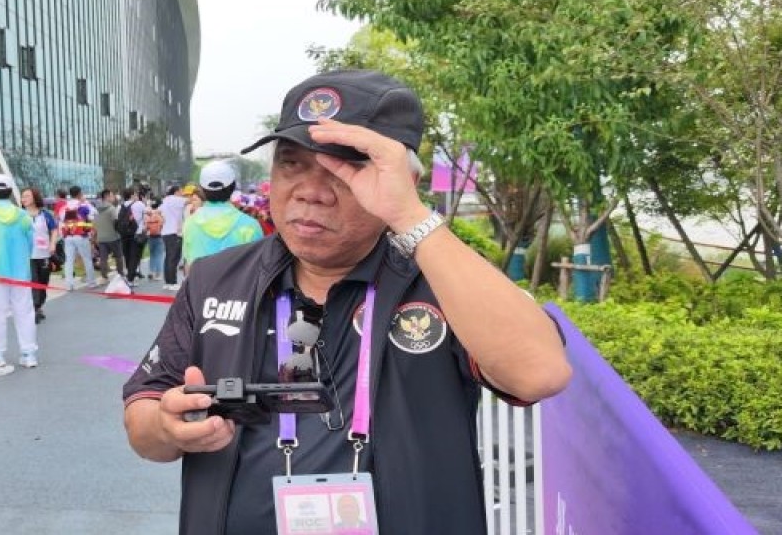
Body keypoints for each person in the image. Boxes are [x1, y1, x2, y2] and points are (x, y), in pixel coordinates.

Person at [121, 69, 571, 535]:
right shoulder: (216, 279)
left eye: (346, 169)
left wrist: (411, 217)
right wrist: (168, 427)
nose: (311, 191)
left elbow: (540, 374)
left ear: (401, 180)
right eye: (292, 163)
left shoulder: (443, 281)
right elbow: (144, 419)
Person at [0, 174, 39, 368]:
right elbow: (30, 244)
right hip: (20, 273)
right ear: (11, 192)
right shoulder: (24, 217)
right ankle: (29, 354)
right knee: (25, 313)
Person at [181, 161, 263, 276]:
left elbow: (189, 267)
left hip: (200, 291)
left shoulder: (190, 224)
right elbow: (257, 270)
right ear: (233, 186)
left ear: (202, 189)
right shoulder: (250, 225)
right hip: (238, 292)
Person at [22, 186, 59, 323]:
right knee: (33, 282)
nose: (23, 199)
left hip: (44, 254)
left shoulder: (45, 214)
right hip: (28, 256)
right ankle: (34, 308)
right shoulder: (20, 215)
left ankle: (39, 305)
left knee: (43, 283)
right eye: (23, 196)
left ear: (35, 198)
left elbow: (54, 229)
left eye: (27, 196)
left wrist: (53, 243)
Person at [59, 185, 97, 290]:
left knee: (69, 260)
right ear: (80, 194)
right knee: (87, 259)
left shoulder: (64, 208)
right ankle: (91, 282)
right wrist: (87, 202)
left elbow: (61, 221)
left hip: (68, 236)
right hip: (81, 236)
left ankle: (69, 285)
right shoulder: (84, 206)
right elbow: (94, 213)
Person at [158, 185, 188, 291]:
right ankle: (173, 282)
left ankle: (167, 282)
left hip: (165, 232)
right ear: (176, 192)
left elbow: (158, 212)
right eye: (181, 191)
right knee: (174, 258)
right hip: (174, 232)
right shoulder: (176, 199)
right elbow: (190, 201)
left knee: (168, 258)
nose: (182, 193)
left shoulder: (165, 201)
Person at [93, 189, 126, 282]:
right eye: (112, 196)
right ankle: (120, 273)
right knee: (118, 256)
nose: (113, 198)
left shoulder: (97, 210)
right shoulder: (112, 209)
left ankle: (104, 276)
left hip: (101, 237)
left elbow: (95, 223)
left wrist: (95, 236)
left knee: (103, 258)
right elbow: (116, 222)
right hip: (113, 236)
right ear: (107, 197)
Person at [119, 187, 147, 282]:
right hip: (136, 233)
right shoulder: (139, 204)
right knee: (134, 257)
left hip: (124, 234)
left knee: (127, 255)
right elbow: (148, 213)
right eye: (135, 194)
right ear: (132, 195)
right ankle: (131, 278)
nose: (137, 196)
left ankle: (129, 274)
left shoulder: (121, 206)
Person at [144, 198, 165, 280]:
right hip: (159, 237)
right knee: (159, 255)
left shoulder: (148, 215)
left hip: (150, 237)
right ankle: (158, 274)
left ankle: (151, 272)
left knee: (152, 255)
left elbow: (145, 228)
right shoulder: (160, 215)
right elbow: (163, 224)